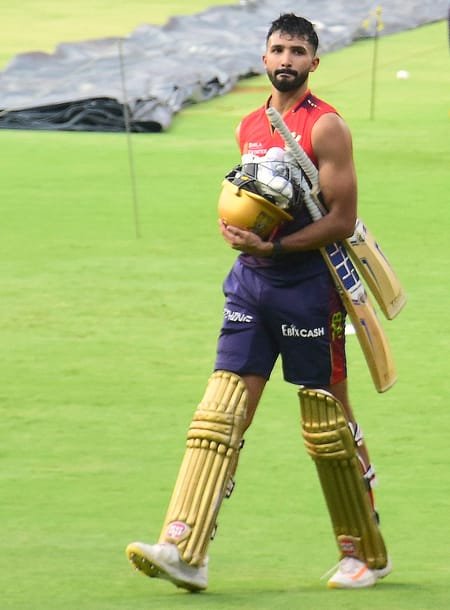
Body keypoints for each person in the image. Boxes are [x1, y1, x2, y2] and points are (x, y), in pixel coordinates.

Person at [126, 13, 391, 592]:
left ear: (313, 62)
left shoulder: (327, 127)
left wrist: (275, 245)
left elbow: (341, 219)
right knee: (220, 414)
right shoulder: (248, 124)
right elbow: (253, 200)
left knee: (327, 421)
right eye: (278, 49)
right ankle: (185, 548)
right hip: (250, 283)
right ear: (264, 57)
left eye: (297, 51)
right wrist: (240, 230)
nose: (286, 59)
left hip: (310, 289)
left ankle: (363, 551)